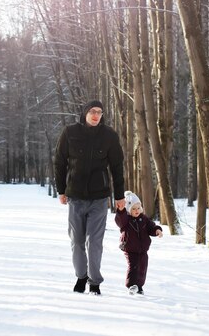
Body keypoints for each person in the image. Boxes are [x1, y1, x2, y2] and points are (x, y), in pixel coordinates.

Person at [54, 100, 125, 295]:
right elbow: (60, 163)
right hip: (75, 197)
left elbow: (117, 167)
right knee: (77, 241)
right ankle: (81, 276)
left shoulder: (109, 136)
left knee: (94, 242)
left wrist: (119, 195)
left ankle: (94, 281)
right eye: (92, 112)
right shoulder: (70, 133)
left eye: (100, 112)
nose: (96, 115)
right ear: (85, 113)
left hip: (99, 198)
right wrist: (61, 190)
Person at [115, 191, 163, 295]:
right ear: (128, 210)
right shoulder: (126, 220)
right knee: (133, 266)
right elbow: (120, 220)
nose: (136, 211)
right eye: (133, 208)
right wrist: (121, 210)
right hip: (130, 249)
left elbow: (151, 227)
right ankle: (132, 285)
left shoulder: (143, 218)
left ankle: (139, 286)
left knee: (142, 267)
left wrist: (157, 230)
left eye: (138, 208)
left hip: (143, 250)